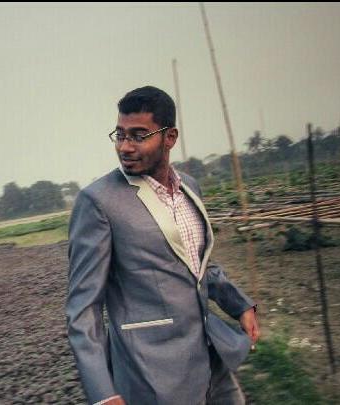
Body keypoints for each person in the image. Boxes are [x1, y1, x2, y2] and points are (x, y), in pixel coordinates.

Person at [65, 86, 259, 405]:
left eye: (139, 135)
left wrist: (240, 305)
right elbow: (83, 308)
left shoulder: (189, 188)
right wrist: (103, 394)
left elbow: (197, 264)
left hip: (210, 355)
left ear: (170, 137)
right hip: (152, 373)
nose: (125, 146)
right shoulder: (98, 202)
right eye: (120, 135)